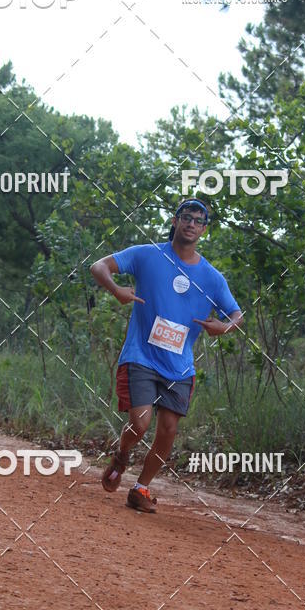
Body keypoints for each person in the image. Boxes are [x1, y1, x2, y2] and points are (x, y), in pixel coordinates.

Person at [90, 199, 243, 513]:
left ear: (204, 229)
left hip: (179, 366)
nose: (191, 224)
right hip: (142, 356)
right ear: (175, 221)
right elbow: (98, 266)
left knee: (169, 430)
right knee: (140, 424)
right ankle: (122, 454)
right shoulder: (148, 255)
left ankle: (140, 489)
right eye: (186, 217)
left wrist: (224, 328)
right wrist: (116, 289)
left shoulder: (212, 278)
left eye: (199, 221)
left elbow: (237, 315)